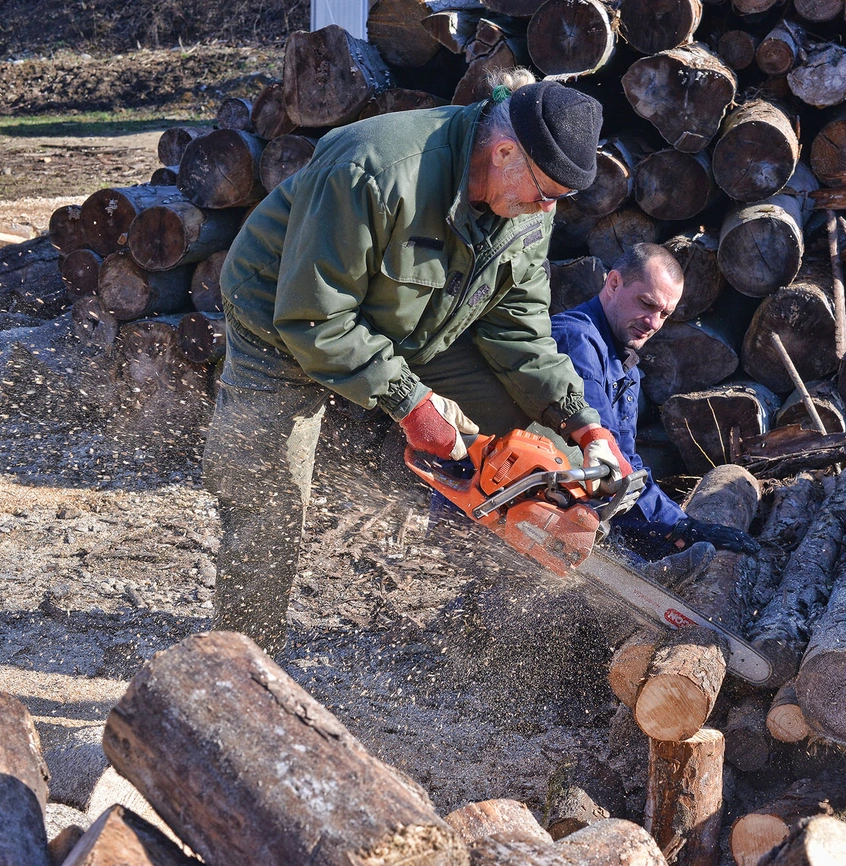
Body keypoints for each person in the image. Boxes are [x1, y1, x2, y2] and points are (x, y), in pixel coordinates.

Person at [202, 71, 635, 654]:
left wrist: (582, 422)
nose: (547, 208)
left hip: (417, 321)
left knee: (529, 446)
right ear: (505, 150)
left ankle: (509, 635)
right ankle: (242, 657)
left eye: (556, 198)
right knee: (268, 495)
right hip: (284, 320)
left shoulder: (528, 200)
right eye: (546, 193)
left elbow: (518, 331)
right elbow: (315, 319)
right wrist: (412, 403)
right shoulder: (373, 171)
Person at [550, 243, 760, 560]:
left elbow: (627, 467)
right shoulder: (576, 340)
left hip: (576, 504)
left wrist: (672, 530)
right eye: (647, 304)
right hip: (538, 496)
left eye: (665, 314)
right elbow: (606, 457)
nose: (654, 323)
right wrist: (678, 527)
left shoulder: (627, 370)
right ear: (613, 283)